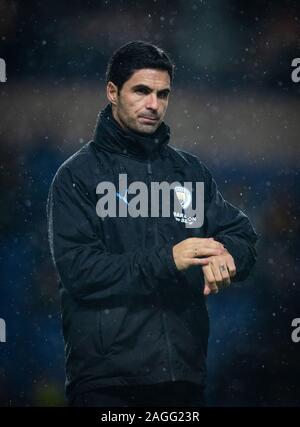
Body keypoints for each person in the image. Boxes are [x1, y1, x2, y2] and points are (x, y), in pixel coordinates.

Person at [46, 40, 258, 407]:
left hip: (182, 378)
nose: (153, 105)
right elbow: (79, 271)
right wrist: (168, 260)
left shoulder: (189, 172)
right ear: (112, 91)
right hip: (106, 384)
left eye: (163, 94)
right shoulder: (78, 176)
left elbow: (242, 236)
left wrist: (228, 255)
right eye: (141, 91)